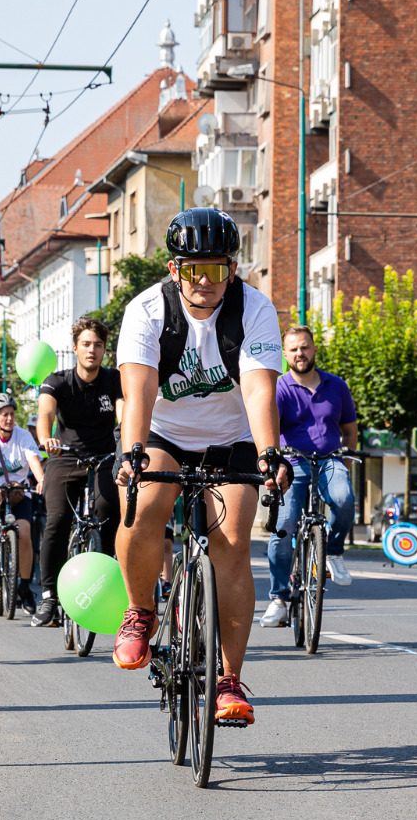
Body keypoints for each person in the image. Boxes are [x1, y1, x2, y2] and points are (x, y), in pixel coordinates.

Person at [112, 207, 290, 727]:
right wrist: (133, 451)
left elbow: (259, 388)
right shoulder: (146, 311)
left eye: (216, 269)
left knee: (232, 542)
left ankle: (228, 680)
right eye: (194, 270)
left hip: (231, 438)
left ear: (231, 270)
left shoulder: (254, 310)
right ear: (175, 270)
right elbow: (140, 387)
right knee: (144, 504)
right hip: (166, 433)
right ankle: (141, 611)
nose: (205, 282)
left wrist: (268, 452)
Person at [260, 325, 359, 629]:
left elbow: (350, 429)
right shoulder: (278, 388)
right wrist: (273, 464)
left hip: (329, 460)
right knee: (283, 528)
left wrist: (346, 459)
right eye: (293, 349)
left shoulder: (337, 385)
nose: (299, 354)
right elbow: (269, 432)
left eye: (304, 347)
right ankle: (278, 597)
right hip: (291, 463)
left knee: (344, 499)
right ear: (285, 354)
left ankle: (334, 551)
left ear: (315, 350)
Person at [33, 316, 125, 627]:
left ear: (104, 350)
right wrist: (46, 438)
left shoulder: (113, 380)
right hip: (64, 456)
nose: (92, 350)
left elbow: (124, 413)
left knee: (109, 508)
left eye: (98, 345)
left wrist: (126, 437)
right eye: (86, 344)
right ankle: (48, 598)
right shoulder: (57, 381)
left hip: (103, 457)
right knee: (57, 520)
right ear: (75, 349)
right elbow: (44, 413)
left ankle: (107, 571)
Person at [0, 391, 46, 615]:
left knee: (24, 533)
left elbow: (33, 460)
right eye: (4, 415)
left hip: (17, 492)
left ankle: (24, 587)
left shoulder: (23, 436)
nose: (10, 419)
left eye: (12, 414)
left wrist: (41, 481)